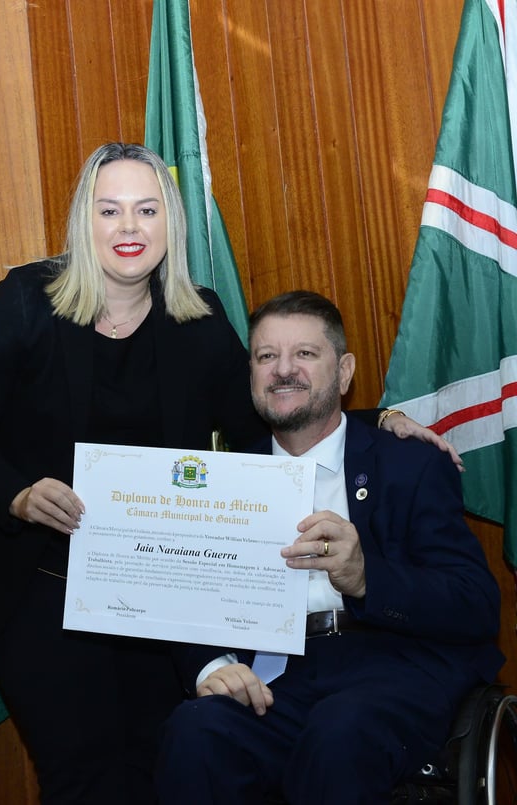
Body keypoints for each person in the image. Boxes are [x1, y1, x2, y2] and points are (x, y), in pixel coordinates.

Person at [0, 143, 459, 804]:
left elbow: (260, 425)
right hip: (39, 580)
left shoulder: (197, 318)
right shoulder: (25, 303)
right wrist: (17, 494)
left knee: (165, 761)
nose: (129, 228)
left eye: (146, 209)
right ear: (84, 222)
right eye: (111, 210)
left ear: (170, 224)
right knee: (86, 776)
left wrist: (375, 419)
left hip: (160, 586)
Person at [154, 290, 504, 805]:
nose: (283, 370)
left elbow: (476, 604)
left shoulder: (409, 464)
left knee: (341, 731)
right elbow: (187, 594)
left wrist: (366, 578)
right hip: (280, 677)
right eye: (266, 356)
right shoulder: (225, 480)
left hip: (394, 668)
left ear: (343, 373)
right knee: (196, 730)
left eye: (304, 354)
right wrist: (211, 665)